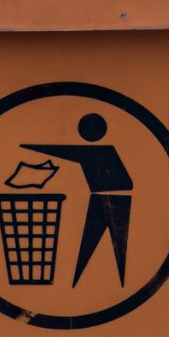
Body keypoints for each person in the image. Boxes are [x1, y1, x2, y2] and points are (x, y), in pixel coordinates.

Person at [21, 113, 134, 286]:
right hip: (104, 198)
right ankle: (78, 283)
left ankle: (117, 283)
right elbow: (71, 151)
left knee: (114, 249)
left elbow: (68, 151)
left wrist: (30, 146)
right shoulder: (103, 152)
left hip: (116, 199)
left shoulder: (101, 152)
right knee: (92, 248)